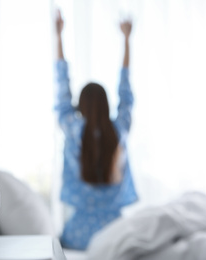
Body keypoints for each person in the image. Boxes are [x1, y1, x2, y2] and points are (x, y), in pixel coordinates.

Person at [54, 10, 138, 250]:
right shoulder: (119, 130)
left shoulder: (72, 128)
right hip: (116, 234)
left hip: (76, 235)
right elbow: (126, 92)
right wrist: (126, 40)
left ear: (80, 105)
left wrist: (59, 36)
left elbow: (61, 88)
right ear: (106, 104)